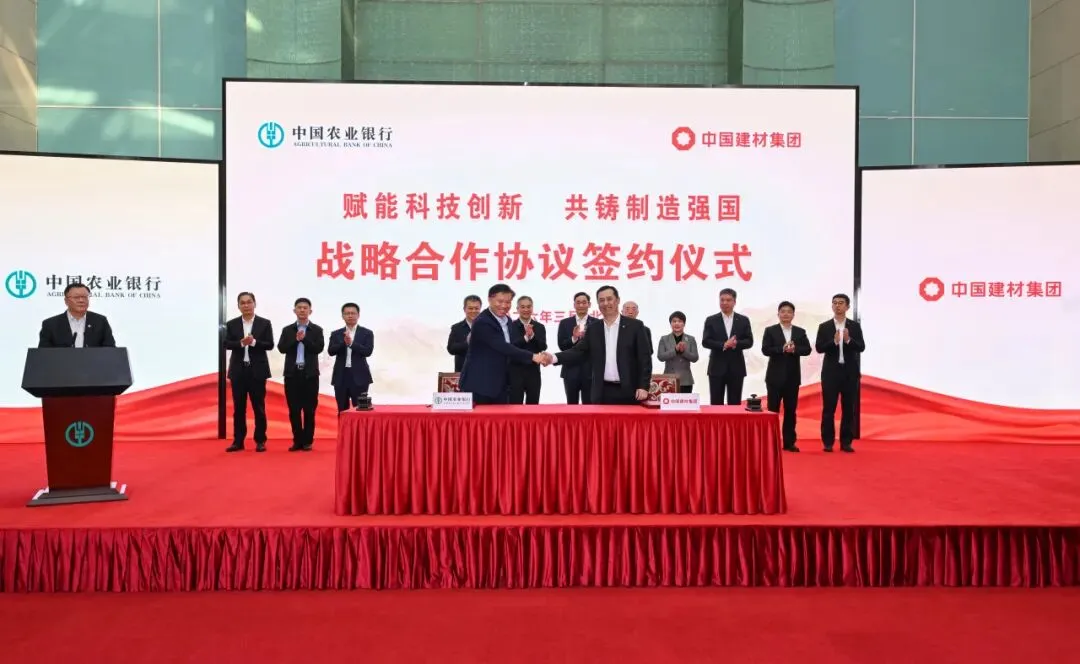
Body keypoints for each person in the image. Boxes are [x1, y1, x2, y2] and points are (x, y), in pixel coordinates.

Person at [546, 285, 651, 405]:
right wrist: (552, 358)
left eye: (609, 299)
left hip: (630, 390)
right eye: (601, 300)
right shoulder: (594, 328)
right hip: (602, 391)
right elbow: (578, 351)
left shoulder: (635, 326)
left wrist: (643, 386)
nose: (605, 303)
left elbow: (644, 358)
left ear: (617, 300)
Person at [459, 284, 545, 404]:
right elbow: (502, 346)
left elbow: (511, 345)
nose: (504, 306)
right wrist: (533, 356)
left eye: (508, 302)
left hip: (500, 383)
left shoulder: (507, 320)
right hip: (480, 384)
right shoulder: (482, 322)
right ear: (490, 299)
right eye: (500, 301)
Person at [814, 293, 866, 453]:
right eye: (835, 303)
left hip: (850, 373)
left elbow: (861, 347)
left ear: (847, 306)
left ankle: (846, 442)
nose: (837, 305)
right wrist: (834, 342)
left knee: (849, 409)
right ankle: (828, 442)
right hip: (831, 373)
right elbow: (819, 348)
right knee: (828, 408)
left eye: (841, 303)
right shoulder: (824, 326)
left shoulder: (854, 326)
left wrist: (848, 340)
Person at [223, 292, 274, 453]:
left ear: (254, 304)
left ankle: (260, 440)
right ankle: (238, 441)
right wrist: (241, 343)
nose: (246, 305)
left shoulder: (264, 323)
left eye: (249, 302)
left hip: (257, 371)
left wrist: (253, 342)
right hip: (238, 371)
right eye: (243, 303)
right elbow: (226, 343)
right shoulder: (231, 324)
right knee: (239, 408)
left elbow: (270, 344)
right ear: (238, 306)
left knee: (259, 407)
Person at [761, 301, 812, 452]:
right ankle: (771, 442)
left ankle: (789, 442)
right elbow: (765, 350)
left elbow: (807, 349)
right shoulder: (770, 330)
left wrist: (795, 349)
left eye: (789, 312)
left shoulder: (800, 332)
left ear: (793, 315)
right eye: (783, 311)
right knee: (772, 411)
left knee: (790, 411)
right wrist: (781, 349)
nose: (786, 314)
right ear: (778, 314)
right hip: (774, 378)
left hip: (792, 378)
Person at [277, 297, 325, 451]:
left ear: (310, 311)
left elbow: (318, 348)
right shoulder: (287, 330)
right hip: (292, 374)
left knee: (309, 409)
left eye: (305, 308)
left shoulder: (317, 330)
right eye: (299, 307)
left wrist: (304, 340)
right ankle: (297, 440)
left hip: (310, 375)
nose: (302, 310)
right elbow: (282, 348)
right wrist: (295, 340)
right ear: (294, 310)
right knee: (294, 409)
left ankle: (308, 441)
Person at [701, 287, 753, 405]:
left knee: (734, 404)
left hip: (736, 368)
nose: (724, 303)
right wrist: (723, 344)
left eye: (728, 300)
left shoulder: (743, 320)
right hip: (716, 368)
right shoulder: (711, 320)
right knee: (716, 404)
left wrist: (735, 343)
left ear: (734, 302)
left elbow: (749, 341)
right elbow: (706, 341)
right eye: (722, 300)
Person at [38, 282, 116, 348]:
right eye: (76, 297)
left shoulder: (100, 321)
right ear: (66, 301)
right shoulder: (50, 324)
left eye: (84, 297)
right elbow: (43, 354)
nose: (81, 300)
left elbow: (110, 350)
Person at [327, 302, 374, 412]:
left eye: (353, 313)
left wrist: (352, 344)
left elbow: (368, 351)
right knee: (342, 411)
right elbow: (331, 351)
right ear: (342, 316)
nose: (350, 315)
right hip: (341, 376)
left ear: (358, 315)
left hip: (360, 376)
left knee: (361, 411)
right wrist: (344, 343)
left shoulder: (367, 333)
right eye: (347, 313)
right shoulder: (336, 334)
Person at [557, 291, 598, 404]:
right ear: (574, 305)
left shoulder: (597, 323)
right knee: (571, 405)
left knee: (589, 406)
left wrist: (589, 339)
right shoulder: (565, 323)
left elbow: (599, 347)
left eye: (584, 302)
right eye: (578, 302)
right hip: (570, 370)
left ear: (589, 304)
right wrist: (574, 338)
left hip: (590, 372)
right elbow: (562, 346)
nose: (581, 305)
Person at [509, 295, 546, 405]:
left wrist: (533, 336)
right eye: (523, 307)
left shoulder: (539, 327)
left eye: (529, 307)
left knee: (533, 405)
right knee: (515, 406)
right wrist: (525, 338)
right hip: (515, 371)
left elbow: (543, 346)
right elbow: (510, 347)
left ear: (532, 308)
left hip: (533, 371)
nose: (526, 310)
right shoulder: (510, 326)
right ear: (517, 309)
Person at [656, 311, 699, 393]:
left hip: (686, 380)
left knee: (685, 401)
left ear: (684, 323)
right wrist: (675, 350)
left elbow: (695, 358)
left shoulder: (691, 339)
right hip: (668, 380)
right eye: (674, 321)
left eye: (679, 321)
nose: (677, 323)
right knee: (668, 401)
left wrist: (683, 352)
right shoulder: (664, 339)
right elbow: (660, 357)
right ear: (670, 323)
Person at [446, 295, 482, 372]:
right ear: (464, 309)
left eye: (476, 308)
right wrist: (467, 343)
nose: (473, 311)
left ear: (480, 309)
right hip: (462, 373)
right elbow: (451, 349)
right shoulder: (456, 328)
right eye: (470, 308)